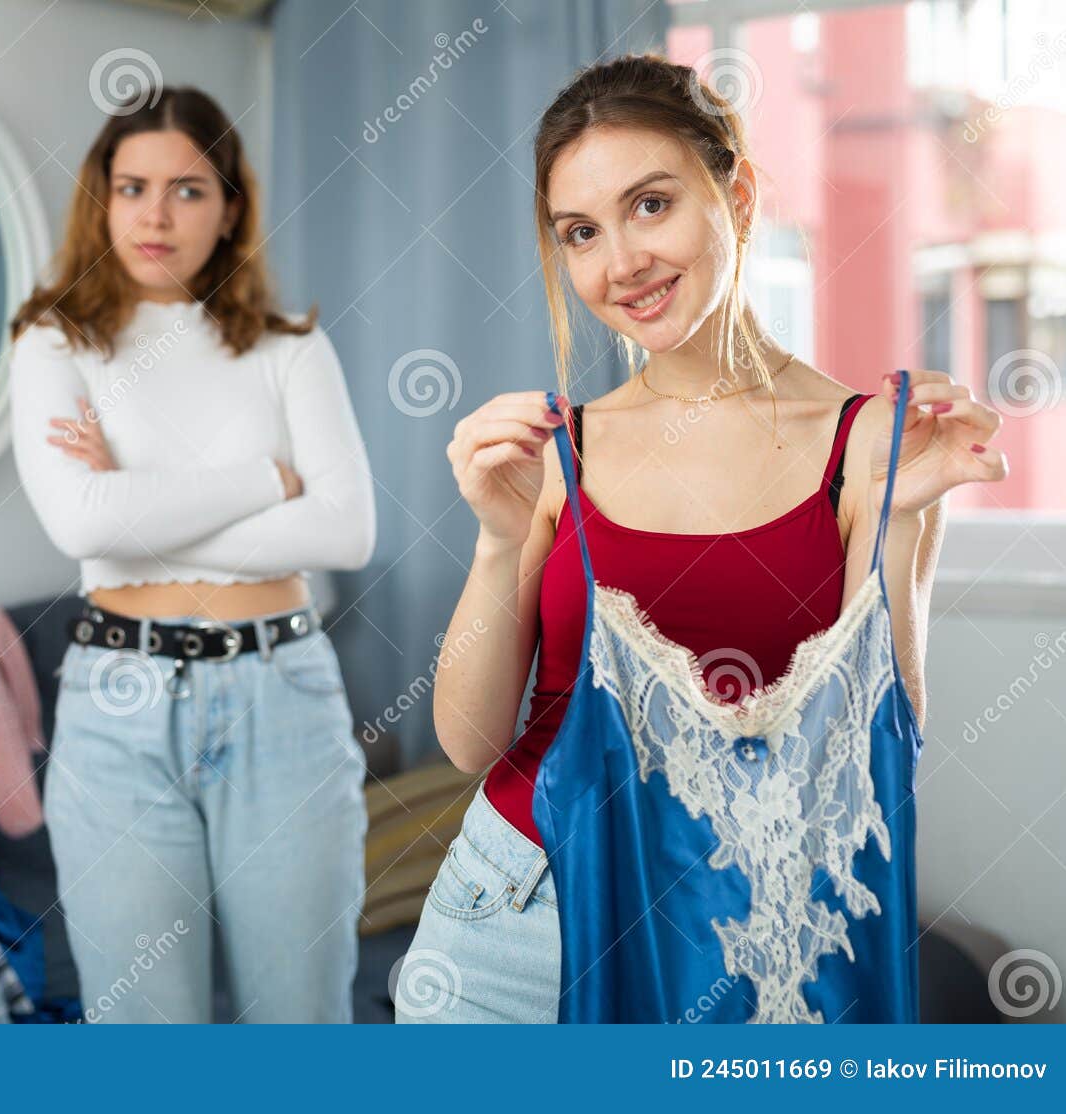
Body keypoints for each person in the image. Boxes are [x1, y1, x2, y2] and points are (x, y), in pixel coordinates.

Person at [397, 53, 1007, 1024]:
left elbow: (868, 747)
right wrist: (495, 539)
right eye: (580, 232)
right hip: (510, 920)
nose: (620, 262)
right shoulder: (563, 450)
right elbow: (471, 743)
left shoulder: (863, 446)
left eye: (650, 204)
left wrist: (900, 511)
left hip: (734, 941)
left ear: (738, 192)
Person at [8, 85, 375, 1023]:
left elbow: (347, 531)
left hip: (283, 696)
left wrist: (140, 509)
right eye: (131, 188)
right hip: (117, 706)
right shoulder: (56, 340)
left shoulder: (292, 348)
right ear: (103, 199)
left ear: (231, 206)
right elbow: (84, 525)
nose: (156, 215)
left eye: (187, 190)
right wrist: (265, 477)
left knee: (301, 1030)